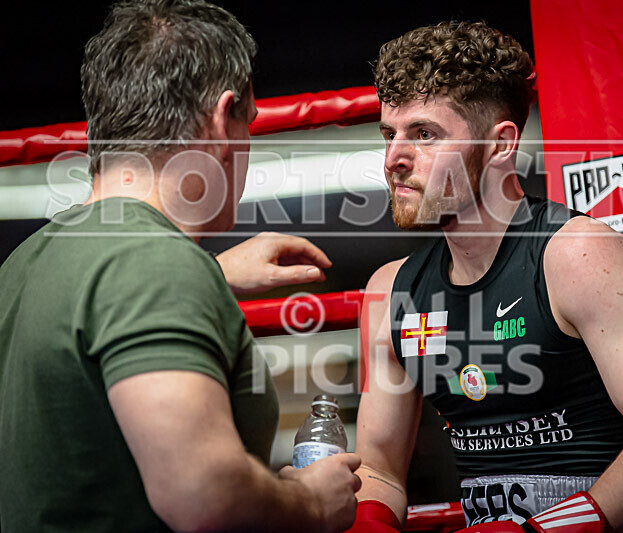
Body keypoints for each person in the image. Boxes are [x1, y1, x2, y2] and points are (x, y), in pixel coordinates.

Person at [0, 1, 360, 532]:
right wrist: (309, 502)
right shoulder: (153, 264)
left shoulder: (25, 262)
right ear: (222, 119)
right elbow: (203, 494)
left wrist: (206, 275)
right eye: (249, 124)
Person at [347, 21, 623, 533]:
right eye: (389, 134)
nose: (393, 159)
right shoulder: (391, 293)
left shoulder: (576, 256)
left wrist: (534, 532)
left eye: (424, 134)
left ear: (500, 145)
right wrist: (372, 522)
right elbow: (379, 464)